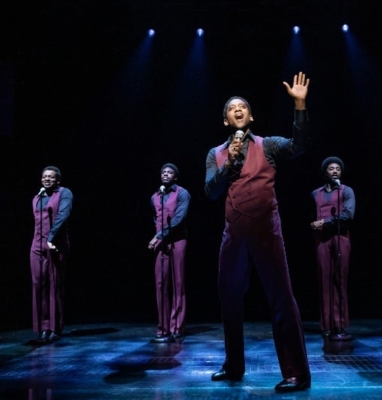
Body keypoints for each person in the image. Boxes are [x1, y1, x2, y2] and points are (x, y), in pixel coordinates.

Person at [205, 72, 311, 393]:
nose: (237, 110)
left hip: (267, 230)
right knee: (229, 300)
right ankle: (234, 366)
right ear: (225, 120)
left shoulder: (269, 146)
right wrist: (229, 164)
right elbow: (210, 191)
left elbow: (299, 146)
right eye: (231, 108)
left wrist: (300, 105)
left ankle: (296, 373)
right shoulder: (216, 153)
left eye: (243, 107)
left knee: (281, 298)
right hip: (234, 235)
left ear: (250, 116)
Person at [311, 156, 355, 342]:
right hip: (322, 240)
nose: (335, 170)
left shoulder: (346, 191)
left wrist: (325, 222)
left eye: (338, 168)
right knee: (324, 281)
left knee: (339, 280)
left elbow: (348, 215)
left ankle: (341, 325)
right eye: (331, 168)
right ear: (325, 172)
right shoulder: (316, 193)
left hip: (340, 238)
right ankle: (327, 326)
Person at [30, 166, 73, 344]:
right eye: (44, 176)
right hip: (37, 245)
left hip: (56, 243)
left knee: (54, 284)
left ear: (58, 180)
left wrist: (51, 237)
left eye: (51, 177)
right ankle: (42, 327)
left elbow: (63, 215)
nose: (47, 179)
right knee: (38, 284)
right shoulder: (37, 197)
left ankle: (54, 327)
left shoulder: (64, 193)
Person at [148, 163, 190, 343]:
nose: (165, 174)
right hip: (161, 242)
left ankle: (177, 328)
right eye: (163, 172)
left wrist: (158, 235)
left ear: (176, 177)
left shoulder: (182, 193)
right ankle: (163, 328)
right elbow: (155, 217)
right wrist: (159, 235)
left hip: (177, 241)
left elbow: (179, 218)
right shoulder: (155, 196)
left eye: (170, 172)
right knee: (160, 284)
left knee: (178, 283)